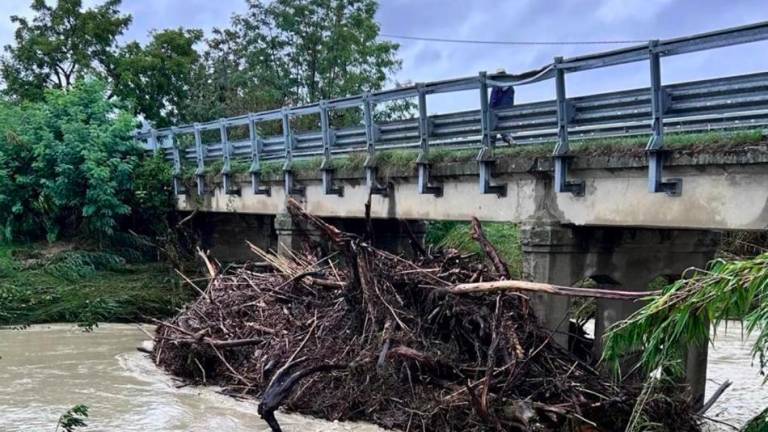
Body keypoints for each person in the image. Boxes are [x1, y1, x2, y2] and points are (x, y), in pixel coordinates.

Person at [489, 68, 515, 145]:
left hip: (496, 112)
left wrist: (490, 110)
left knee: (492, 133)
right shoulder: (510, 88)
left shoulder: (496, 87)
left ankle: (491, 150)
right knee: (505, 130)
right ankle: (510, 141)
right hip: (506, 112)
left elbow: (493, 100)